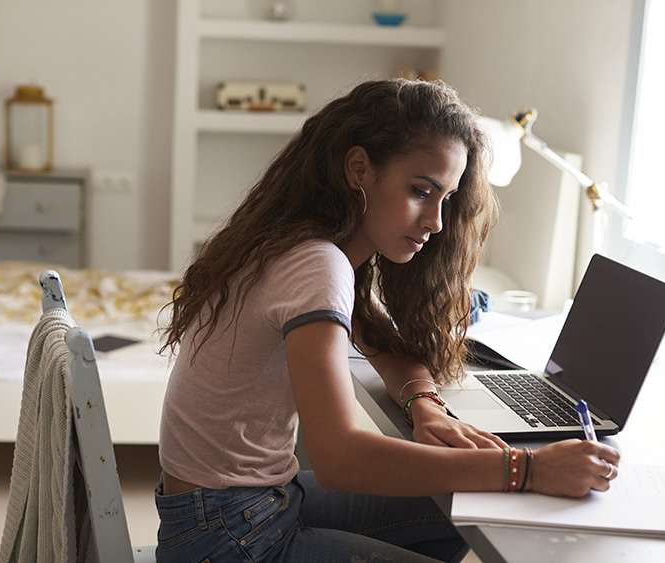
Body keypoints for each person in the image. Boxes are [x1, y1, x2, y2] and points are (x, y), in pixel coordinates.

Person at [155, 78, 621, 563]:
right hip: (228, 535)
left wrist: (425, 402)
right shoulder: (318, 263)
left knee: (455, 507)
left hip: (232, 509)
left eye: (447, 198)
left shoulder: (300, 243)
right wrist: (525, 468)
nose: (437, 222)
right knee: (476, 491)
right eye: (421, 191)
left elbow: (386, 347)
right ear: (359, 168)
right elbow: (339, 457)